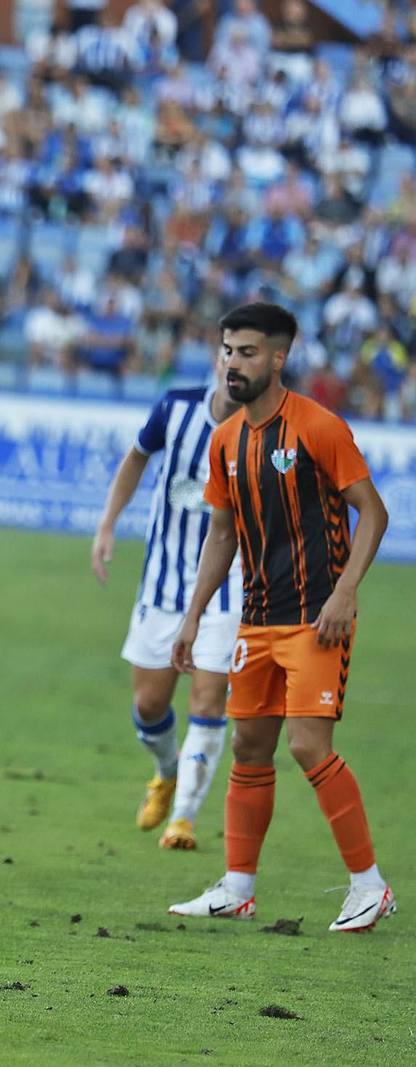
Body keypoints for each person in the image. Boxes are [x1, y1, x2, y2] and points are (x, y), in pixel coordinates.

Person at [168, 302, 395, 932]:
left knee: (305, 744)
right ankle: (239, 887)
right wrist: (192, 616)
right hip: (257, 619)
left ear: (278, 358)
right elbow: (222, 532)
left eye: (246, 352)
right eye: (227, 351)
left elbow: (372, 513)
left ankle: (369, 886)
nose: (232, 363)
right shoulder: (226, 440)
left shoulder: (319, 428)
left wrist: (346, 593)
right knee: (249, 745)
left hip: (317, 619)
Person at [92, 344, 243, 850]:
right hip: (162, 583)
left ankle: (184, 818)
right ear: (217, 363)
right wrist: (108, 524)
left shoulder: (262, 432)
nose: (234, 367)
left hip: (226, 588)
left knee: (208, 699)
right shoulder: (174, 408)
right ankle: (167, 772)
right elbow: (135, 459)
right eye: (228, 356)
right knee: (150, 704)